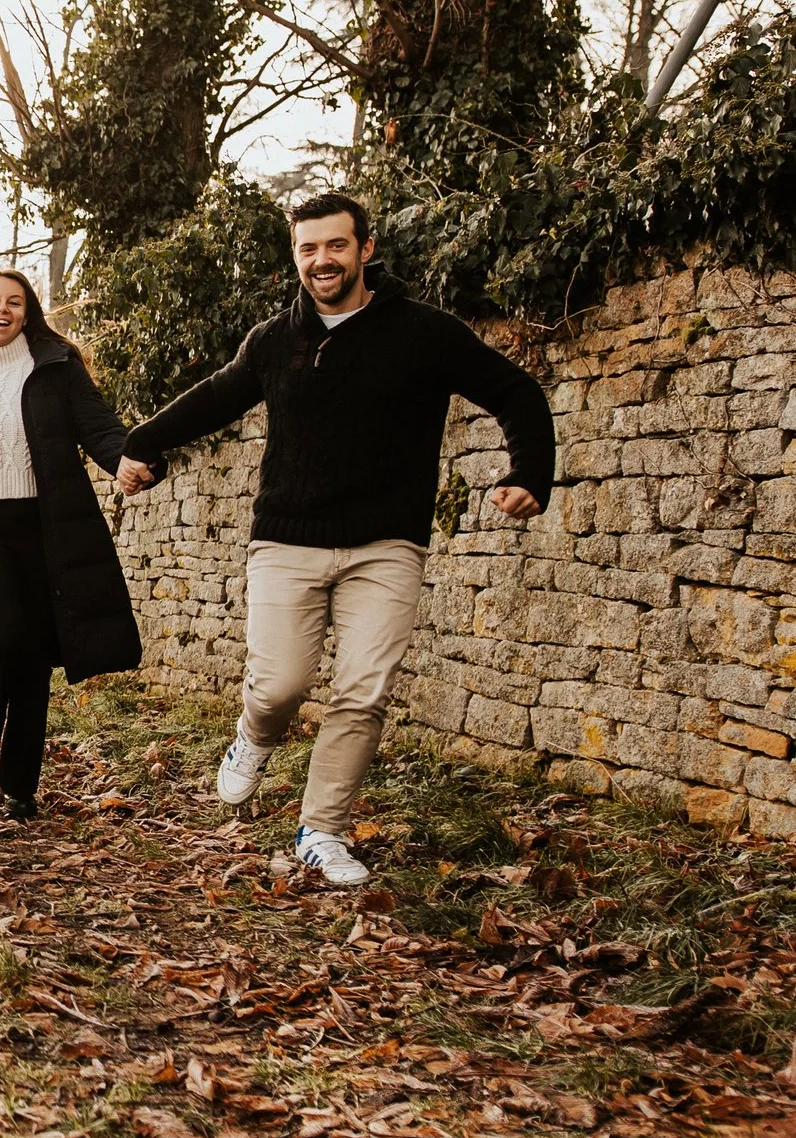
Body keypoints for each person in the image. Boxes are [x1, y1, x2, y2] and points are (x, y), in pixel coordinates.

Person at [118, 192, 556, 886]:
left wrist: (531, 468)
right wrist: (140, 445)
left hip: (387, 544)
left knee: (362, 690)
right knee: (279, 685)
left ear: (366, 248)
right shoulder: (273, 339)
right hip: (287, 540)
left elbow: (515, 390)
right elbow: (213, 397)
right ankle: (255, 735)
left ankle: (321, 828)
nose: (322, 260)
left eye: (335, 245)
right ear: (295, 255)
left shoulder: (423, 333)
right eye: (308, 248)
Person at [0, 270, 142, 821]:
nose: (2, 309)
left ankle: (21, 784)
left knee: (35, 656)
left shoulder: (54, 368)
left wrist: (124, 462)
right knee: (2, 635)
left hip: (45, 528)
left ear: (27, 312)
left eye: (14, 302)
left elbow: (99, 428)